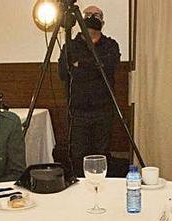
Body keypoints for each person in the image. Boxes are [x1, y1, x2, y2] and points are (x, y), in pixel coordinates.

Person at [58, 5, 121, 173]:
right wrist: (95, 67)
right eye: (88, 14)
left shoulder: (110, 45)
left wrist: (81, 65)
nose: (92, 17)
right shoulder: (71, 46)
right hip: (78, 113)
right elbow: (63, 73)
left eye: (97, 15)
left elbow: (108, 66)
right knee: (77, 156)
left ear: (103, 21)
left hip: (103, 111)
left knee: (102, 155)